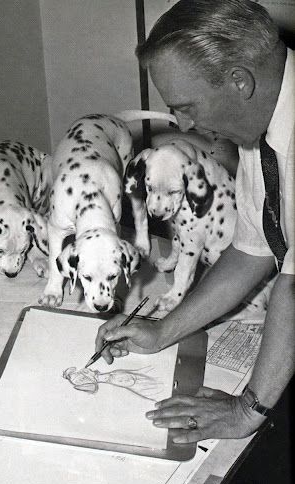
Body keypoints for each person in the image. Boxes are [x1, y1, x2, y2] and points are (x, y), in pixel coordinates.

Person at [96, 0, 294, 444]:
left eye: (186, 106)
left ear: (240, 81)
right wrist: (164, 330)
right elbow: (252, 250)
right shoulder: (257, 134)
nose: (182, 123)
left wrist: (248, 410)